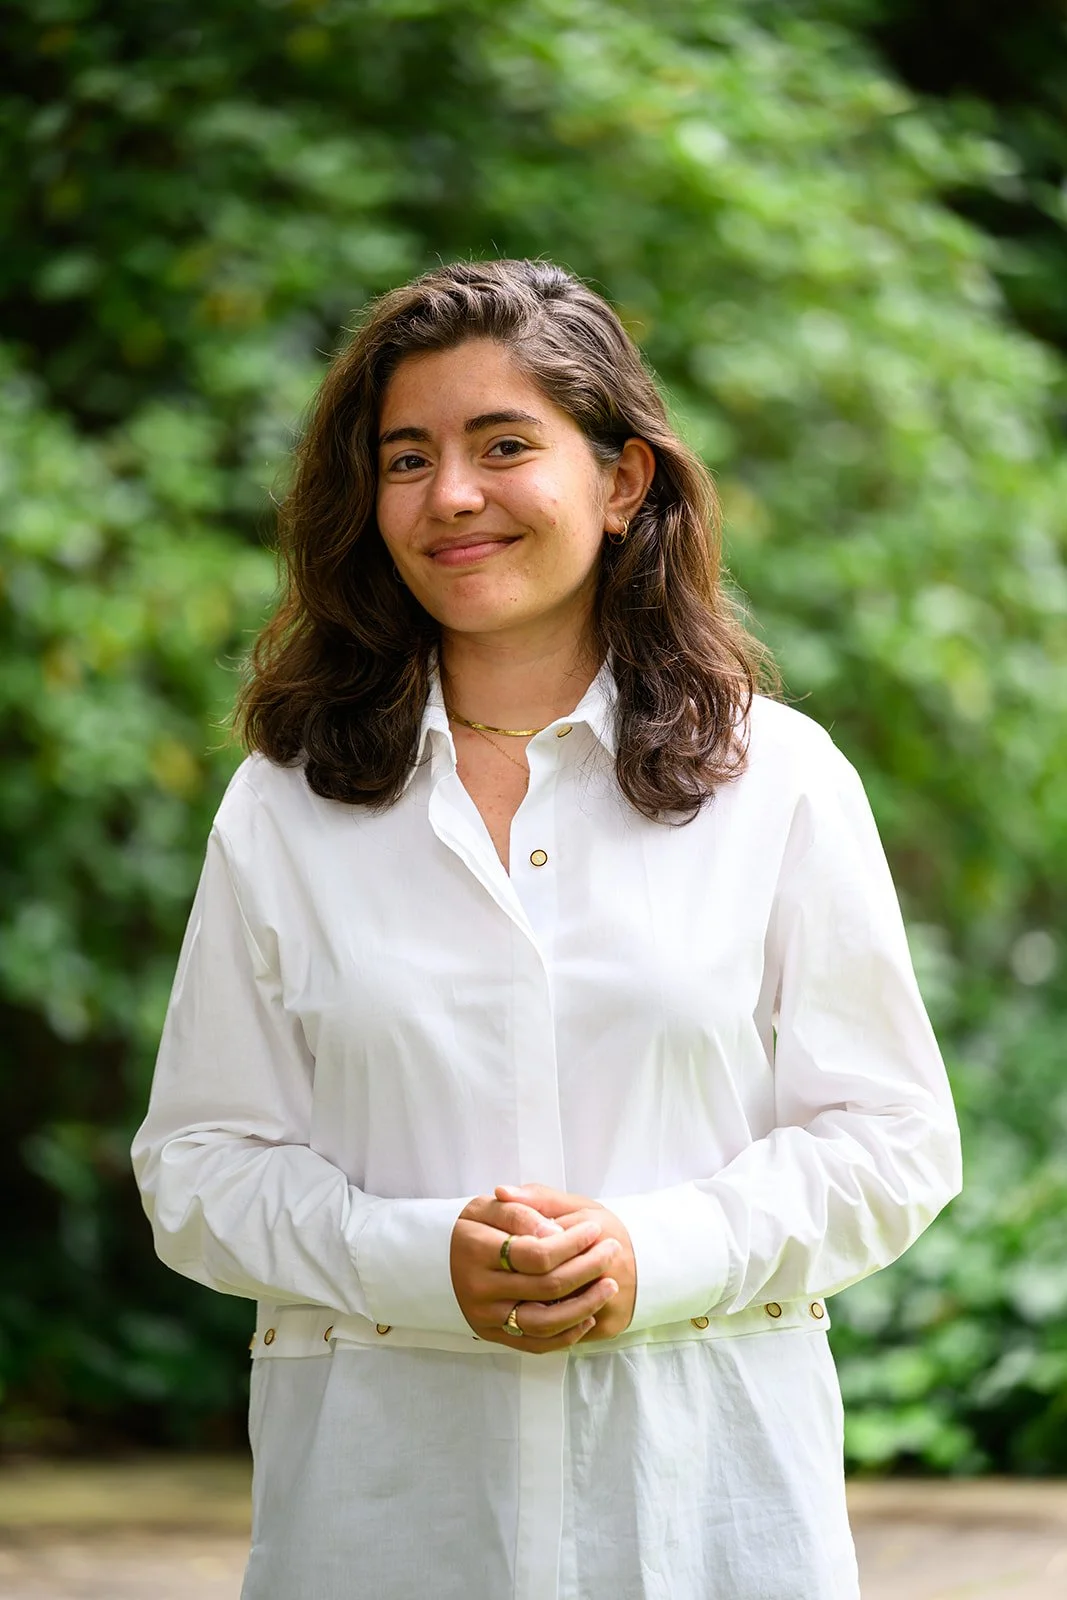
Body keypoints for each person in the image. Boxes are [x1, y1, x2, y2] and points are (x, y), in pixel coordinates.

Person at [131, 257, 962, 1600]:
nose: (449, 494)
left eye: (502, 444)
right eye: (407, 457)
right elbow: (200, 1168)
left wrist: (657, 1254)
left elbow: (892, 1144)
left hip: (703, 1519)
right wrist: (418, 1263)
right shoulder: (285, 803)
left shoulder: (781, 780)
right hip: (383, 1521)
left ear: (620, 481)